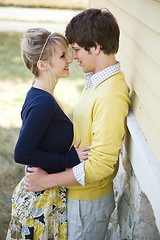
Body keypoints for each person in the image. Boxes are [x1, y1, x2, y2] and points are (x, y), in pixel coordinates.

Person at [25, 8, 131, 240]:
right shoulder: (95, 82)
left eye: (76, 49)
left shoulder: (111, 94)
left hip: (89, 202)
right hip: (77, 194)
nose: (72, 58)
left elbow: (101, 166)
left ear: (96, 46)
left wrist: (45, 180)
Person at [6, 28, 90, 240]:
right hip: (39, 204)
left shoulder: (41, 94)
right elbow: (22, 153)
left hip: (45, 196)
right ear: (42, 65)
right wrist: (68, 158)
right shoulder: (43, 102)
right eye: (62, 55)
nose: (70, 58)